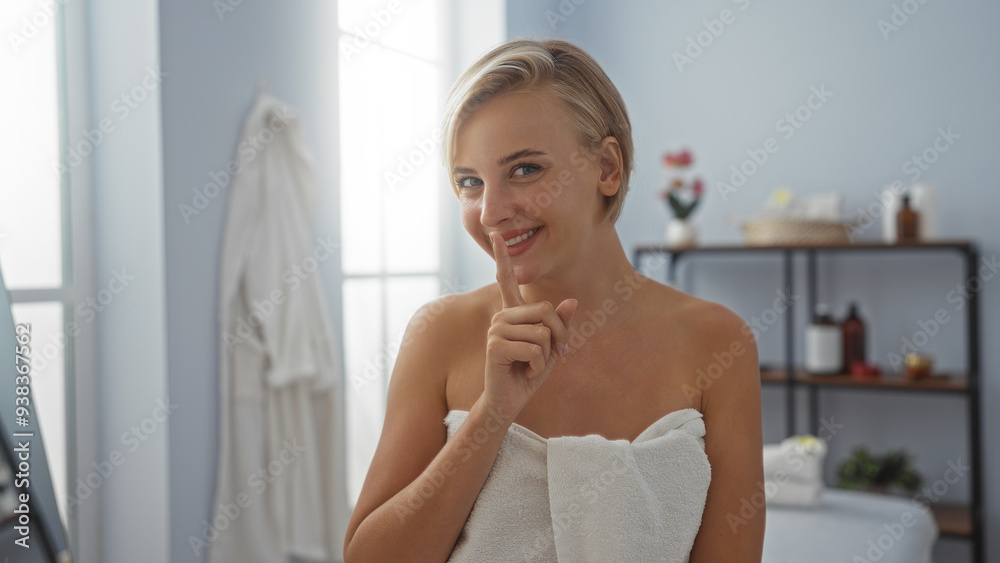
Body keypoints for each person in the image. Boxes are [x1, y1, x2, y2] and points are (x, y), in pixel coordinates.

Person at [343, 39, 764, 562]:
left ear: (607, 168)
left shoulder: (717, 343)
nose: (490, 211)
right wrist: (491, 415)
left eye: (525, 169)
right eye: (469, 182)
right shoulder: (439, 333)